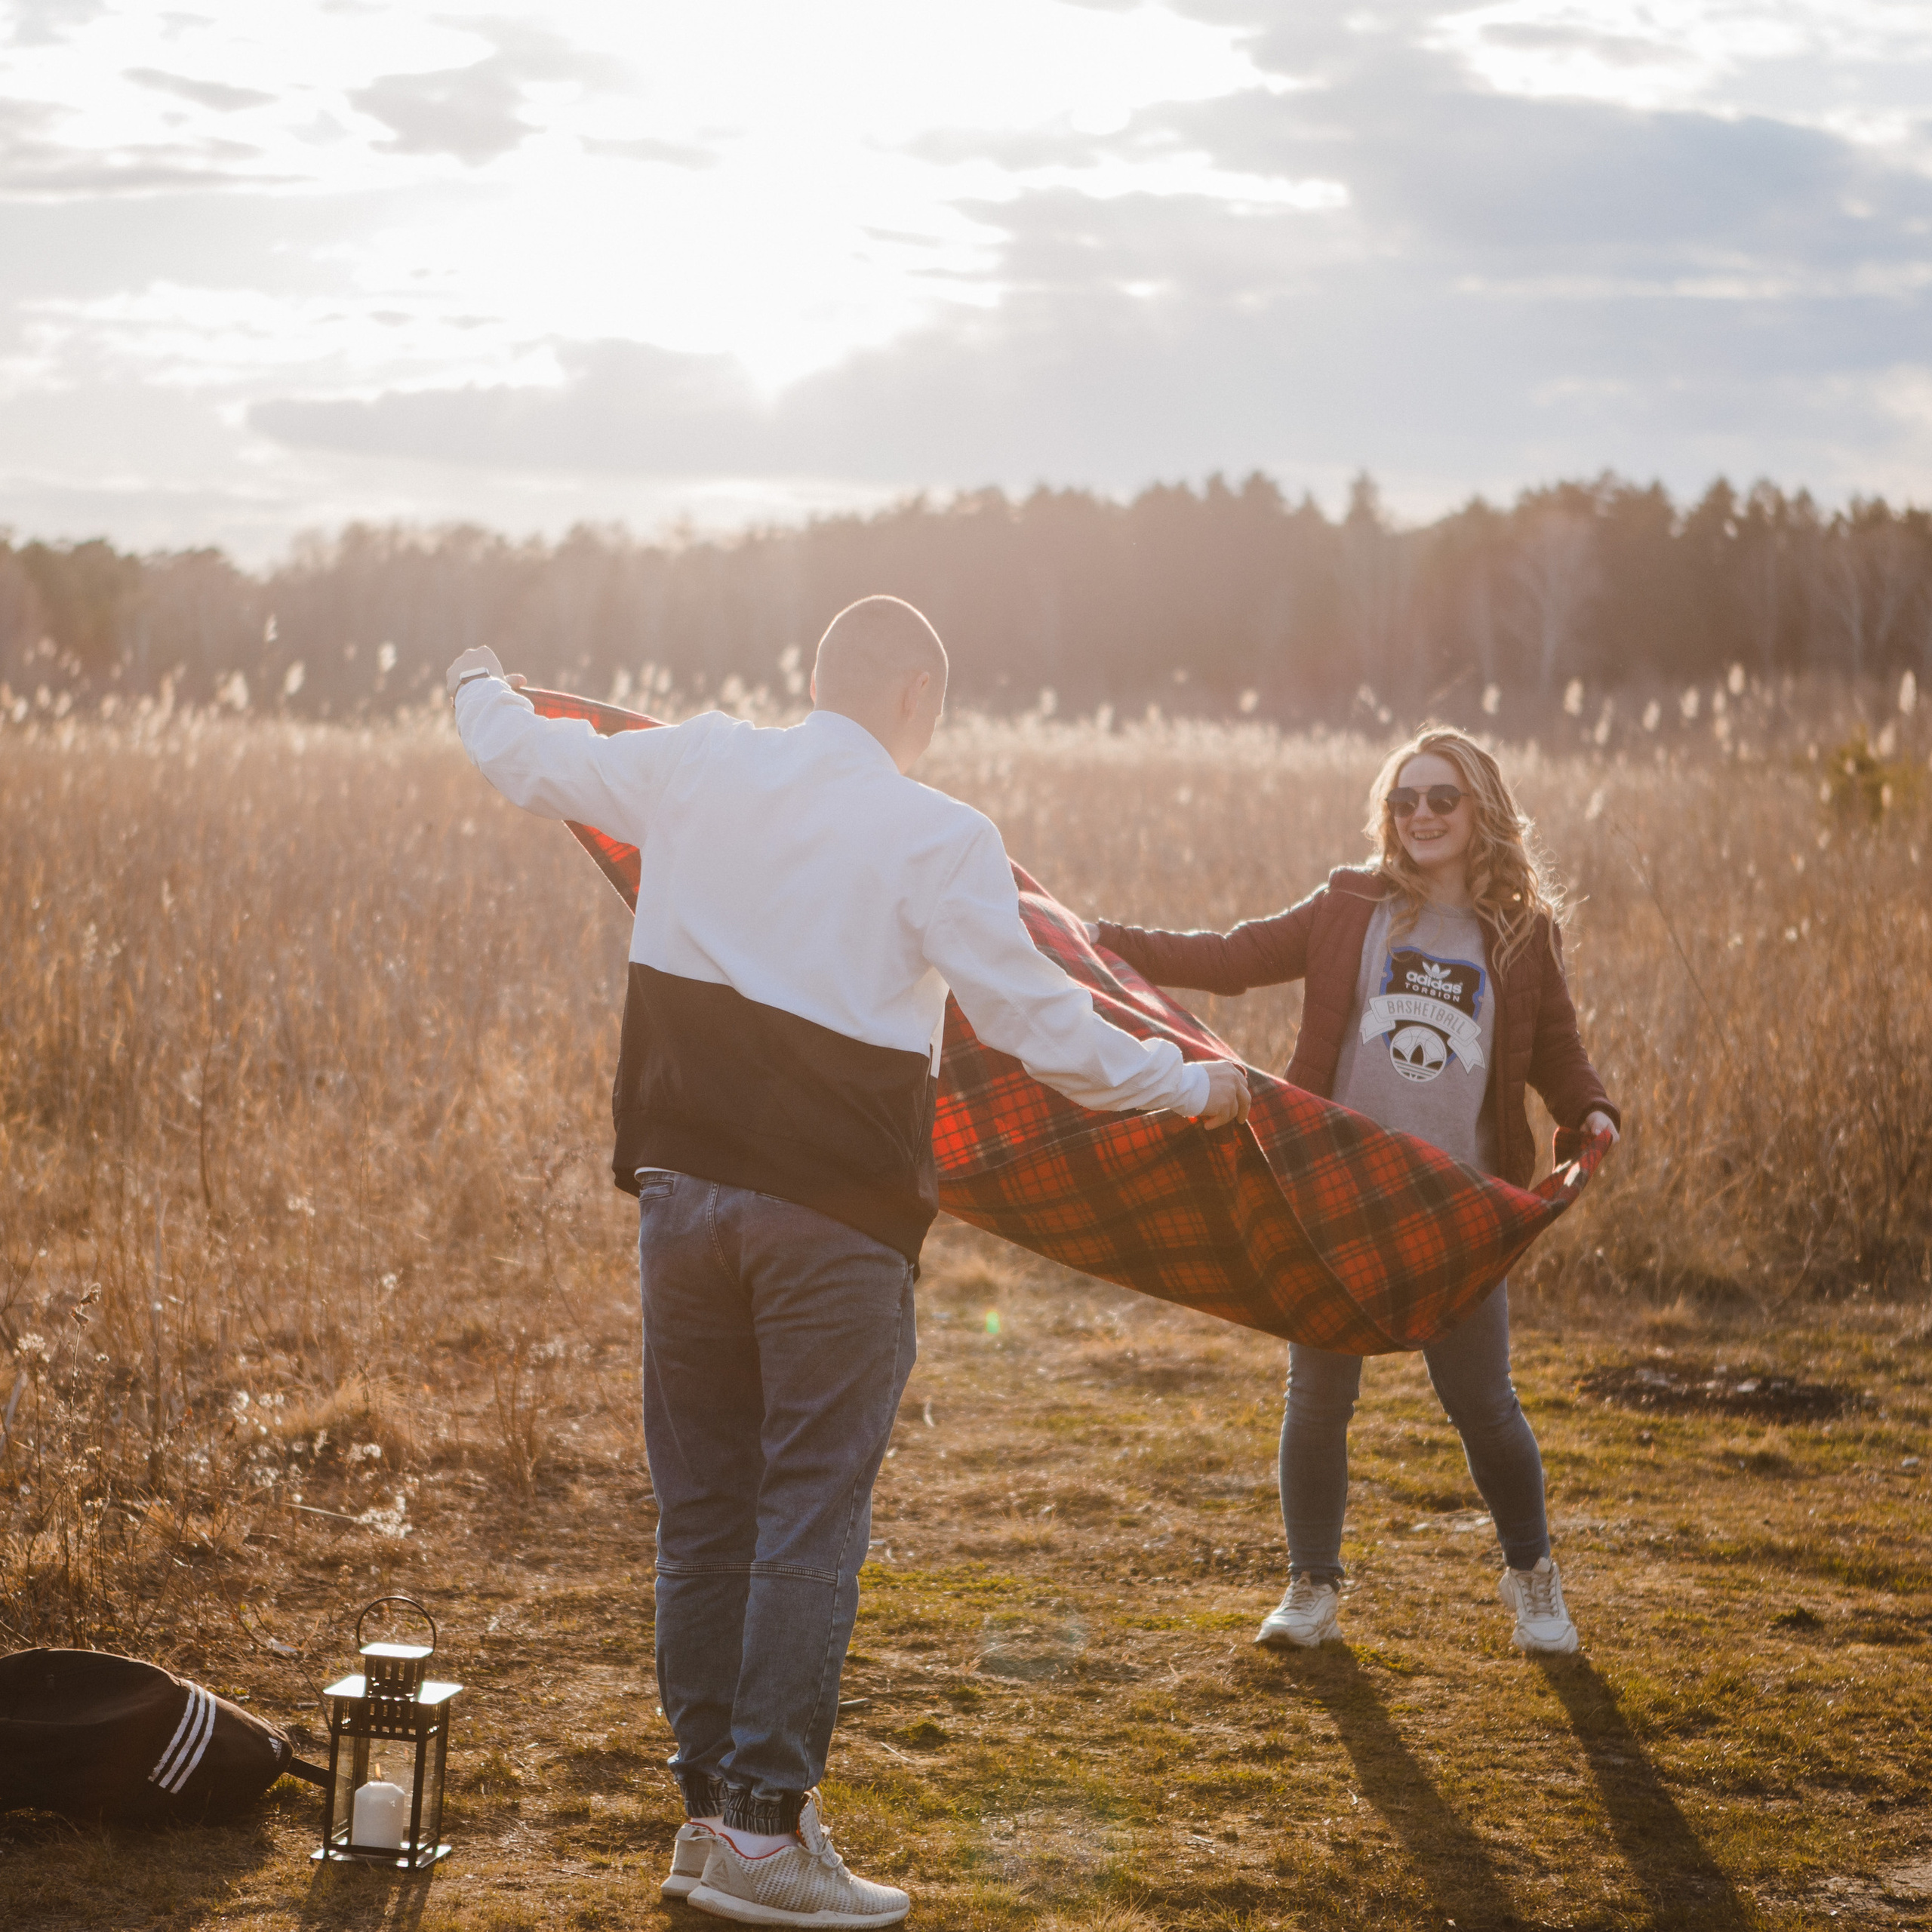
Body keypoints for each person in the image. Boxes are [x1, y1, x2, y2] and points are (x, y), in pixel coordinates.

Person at [445, 598, 1249, 1929]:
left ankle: (711, 1823)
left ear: (812, 681)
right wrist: (1195, 1090)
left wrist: (478, 679)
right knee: (808, 1514)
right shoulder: (938, 834)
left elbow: (524, 758)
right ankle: (767, 1835)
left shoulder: (697, 761)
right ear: (919, 692)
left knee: (704, 1516)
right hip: (834, 1226)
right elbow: (1049, 1031)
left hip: (682, 1204)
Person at [1090, 724, 1617, 1657]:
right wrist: (1098, 938)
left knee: (1483, 1404)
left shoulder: (1523, 933)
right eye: (1404, 799)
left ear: (1479, 810)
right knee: (1317, 1397)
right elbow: (1231, 958)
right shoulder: (1350, 904)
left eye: (1440, 798)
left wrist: (1592, 1110)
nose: (1419, 814)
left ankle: (1532, 1578)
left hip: (1455, 1202)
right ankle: (1311, 1587)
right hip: (1330, 1185)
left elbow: (1556, 1053)